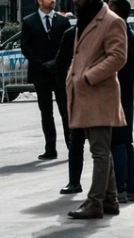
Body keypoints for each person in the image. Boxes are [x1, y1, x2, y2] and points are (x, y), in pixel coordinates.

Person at [66, 0, 127, 220]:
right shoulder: (88, 18)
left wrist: (89, 76)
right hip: (86, 94)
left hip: (98, 93)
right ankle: (110, 200)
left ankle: (94, 202)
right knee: (100, 150)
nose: (74, 0)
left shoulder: (111, 21)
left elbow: (118, 57)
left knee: (100, 152)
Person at [21, 0, 72, 160]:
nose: (53, 1)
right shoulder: (29, 21)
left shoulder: (62, 21)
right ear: (39, 1)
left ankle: (71, 146)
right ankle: (50, 148)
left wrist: (55, 62)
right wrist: (41, 64)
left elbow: (67, 47)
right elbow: (26, 47)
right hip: (40, 72)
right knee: (46, 112)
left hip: (59, 72)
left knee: (65, 110)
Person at [108, 0, 134, 204]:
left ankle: (120, 187)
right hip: (127, 95)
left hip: (116, 95)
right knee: (126, 142)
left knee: (118, 143)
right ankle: (131, 187)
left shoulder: (119, 38)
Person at [56, 26, 85, 195]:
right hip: (75, 94)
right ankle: (74, 182)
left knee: (101, 147)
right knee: (76, 141)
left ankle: (108, 190)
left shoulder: (105, 31)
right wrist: (64, 95)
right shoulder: (71, 34)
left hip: (96, 95)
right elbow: (61, 65)